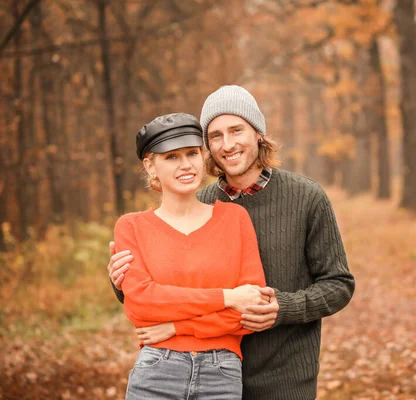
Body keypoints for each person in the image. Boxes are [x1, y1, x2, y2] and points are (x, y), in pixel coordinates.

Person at [108, 86, 355, 399]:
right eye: (215, 136)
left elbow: (339, 285)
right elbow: (169, 291)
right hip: (221, 370)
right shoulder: (202, 204)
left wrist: (283, 307)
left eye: (236, 130)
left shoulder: (306, 197)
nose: (228, 144)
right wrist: (123, 283)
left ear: (258, 134)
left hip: (284, 376)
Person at [114, 112, 267, 399]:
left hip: (221, 374)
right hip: (156, 372)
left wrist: (176, 326)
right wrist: (227, 297)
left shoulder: (235, 219)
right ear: (150, 166)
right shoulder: (131, 227)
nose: (186, 165)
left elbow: (250, 308)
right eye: (171, 157)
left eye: (192, 153)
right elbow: (141, 305)